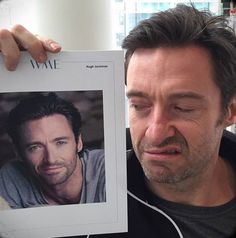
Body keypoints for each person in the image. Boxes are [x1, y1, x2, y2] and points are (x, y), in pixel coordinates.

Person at [0, 3, 235, 238]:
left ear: (229, 112)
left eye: (183, 107)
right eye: (139, 105)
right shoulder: (98, 207)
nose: (154, 133)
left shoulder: (96, 172)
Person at [0, 93, 106, 209]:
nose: (51, 159)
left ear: (78, 142)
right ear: (18, 153)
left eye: (60, 143)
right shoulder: (11, 177)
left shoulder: (107, 168)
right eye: (35, 147)